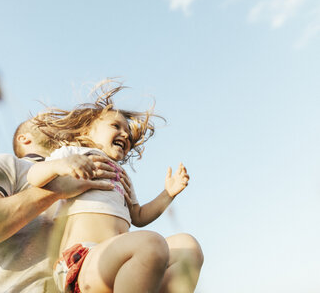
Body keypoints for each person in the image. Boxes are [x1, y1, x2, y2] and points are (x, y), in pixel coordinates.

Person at [28, 84, 203, 293]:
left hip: (120, 264)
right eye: (116, 126)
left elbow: (138, 216)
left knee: (188, 247)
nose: (125, 135)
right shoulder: (74, 153)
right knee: (151, 244)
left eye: (128, 133)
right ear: (86, 130)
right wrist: (61, 165)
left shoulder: (121, 175)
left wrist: (168, 193)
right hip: (83, 260)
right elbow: (34, 176)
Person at [0, 120, 118, 293]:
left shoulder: (90, 175)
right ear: (24, 139)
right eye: (48, 121)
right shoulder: (10, 164)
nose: (61, 123)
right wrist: (55, 190)